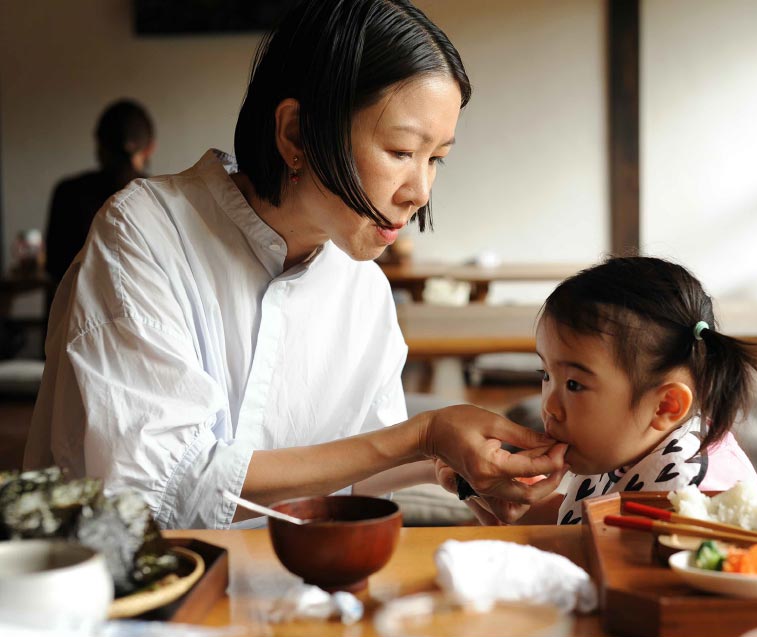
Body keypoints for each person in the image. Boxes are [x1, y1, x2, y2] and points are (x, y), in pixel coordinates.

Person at [24, 0, 565, 529]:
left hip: (287, 595)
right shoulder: (144, 235)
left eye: (436, 158)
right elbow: (160, 492)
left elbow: (357, 471)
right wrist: (421, 435)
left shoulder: (362, 288)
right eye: (401, 151)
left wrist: (456, 468)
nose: (420, 192)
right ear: (296, 135)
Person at [441, 256, 757, 525]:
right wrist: (491, 497)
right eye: (545, 374)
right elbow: (587, 518)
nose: (549, 407)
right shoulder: (632, 438)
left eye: (574, 384)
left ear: (666, 405)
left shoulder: (691, 506)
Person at [44, 100, 155, 309]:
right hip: (143, 326)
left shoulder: (67, 193)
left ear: (100, 146)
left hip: (75, 322)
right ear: (149, 148)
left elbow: (54, 268)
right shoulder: (158, 198)